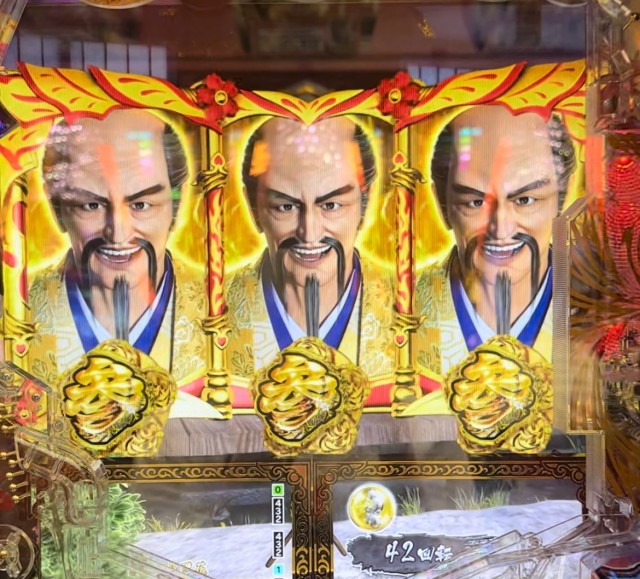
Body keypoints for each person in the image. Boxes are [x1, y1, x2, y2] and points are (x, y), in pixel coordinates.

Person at [28, 109, 210, 410]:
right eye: (90, 205)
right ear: (57, 208)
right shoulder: (16, 318)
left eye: (141, 204)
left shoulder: (222, 313)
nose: (118, 233)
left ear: (175, 208)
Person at [225, 116, 396, 402]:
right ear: (254, 208)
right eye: (286, 206)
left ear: (364, 204)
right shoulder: (208, 311)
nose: (310, 232)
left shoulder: (410, 307)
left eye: (331, 205)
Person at [415, 104, 577, 378]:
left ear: (563, 197)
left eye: (525, 200)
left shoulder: (604, 310)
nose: (500, 229)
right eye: (475, 202)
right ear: (443, 205)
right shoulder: (397, 312)